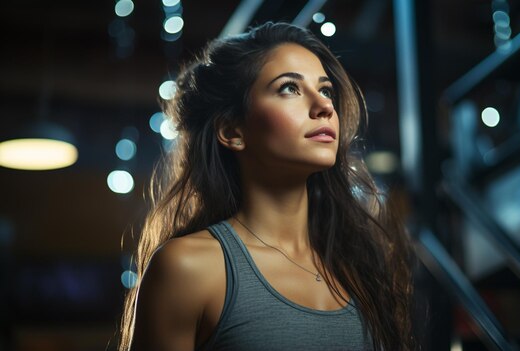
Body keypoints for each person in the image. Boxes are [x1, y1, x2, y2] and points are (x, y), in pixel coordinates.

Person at [119, 22, 417, 351]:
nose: (324, 107)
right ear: (233, 131)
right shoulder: (188, 267)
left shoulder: (359, 266)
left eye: (326, 90)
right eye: (289, 88)